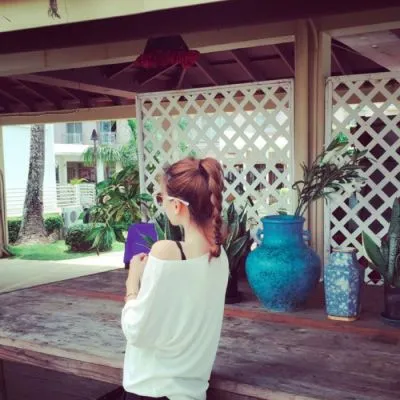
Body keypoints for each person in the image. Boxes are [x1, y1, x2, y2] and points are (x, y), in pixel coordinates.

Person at [121, 157, 229, 400]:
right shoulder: (220, 257)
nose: (162, 205)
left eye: (162, 198)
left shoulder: (166, 252)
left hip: (152, 391)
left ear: (178, 205)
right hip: (192, 393)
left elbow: (136, 330)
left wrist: (132, 284)